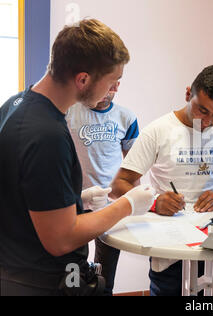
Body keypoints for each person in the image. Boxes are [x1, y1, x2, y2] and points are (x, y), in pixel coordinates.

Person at [0, 19, 154, 296]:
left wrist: (76, 199)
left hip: (13, 268)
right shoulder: (47, 134)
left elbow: (20, 192)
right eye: (111, 82)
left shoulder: (16, 104)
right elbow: (61, 239)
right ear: (83, 79)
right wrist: (128, 205)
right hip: (41, 281)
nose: (113, 90)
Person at [110, 65, 213, 296]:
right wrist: (155, 202)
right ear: (188, 94)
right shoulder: (158, 130)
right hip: (168, 245)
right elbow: (120, 184)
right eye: (202, 110)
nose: (207, 121)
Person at [66, 81, 140, 295]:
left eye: (115, 86)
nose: (110, 92)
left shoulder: (126, 117)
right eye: (105, 85)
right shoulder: (69, 113)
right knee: (72, 277)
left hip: (109, 206)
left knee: (105, 279)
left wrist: (135, 202)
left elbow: (133, 167)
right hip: (76, 204)